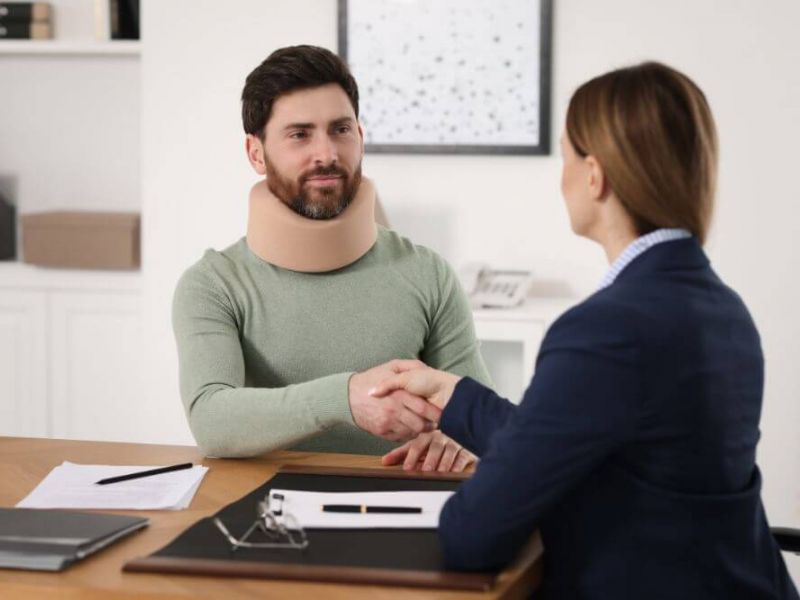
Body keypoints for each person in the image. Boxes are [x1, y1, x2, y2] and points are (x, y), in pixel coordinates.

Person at [371, 62, 799, 598]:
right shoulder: (721, 310)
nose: (563, 176)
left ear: (594, 175)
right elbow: (591, 448)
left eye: (566, 155)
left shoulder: (607, 329)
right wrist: (455, 396)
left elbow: (471, 535)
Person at [171, 45, 491, 470]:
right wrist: (346, 398)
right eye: (300, 134)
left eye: (340, 129)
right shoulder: (214, 284)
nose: (327, 154)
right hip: (266, 514)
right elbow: (212, 421)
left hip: (402, 506)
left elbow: (480, 417)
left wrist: (460, 437)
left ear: (360, 135)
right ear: (255, 153)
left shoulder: (426, 272)